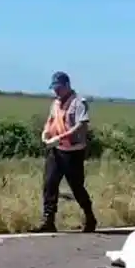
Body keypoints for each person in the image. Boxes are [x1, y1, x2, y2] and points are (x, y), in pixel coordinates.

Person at [32, 71, 98, 233]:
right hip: (56, 150)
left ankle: (90, 218)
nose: (56, 91)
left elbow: (81, 126)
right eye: (54, 88)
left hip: (73, 152)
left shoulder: (78, 103)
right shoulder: (55, 103)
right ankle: (48, 220)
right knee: (49, 184)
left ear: (67, 86)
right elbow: (51, 120)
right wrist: (46, 132)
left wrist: (61, 137)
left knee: (76, 187)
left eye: (59, 88)